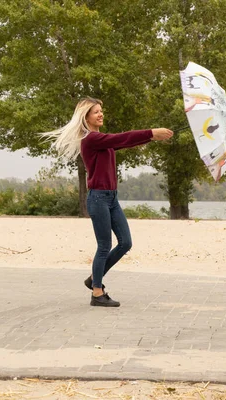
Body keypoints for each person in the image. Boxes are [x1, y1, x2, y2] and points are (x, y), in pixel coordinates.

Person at [43, 97, 173, 307]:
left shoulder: (102, 141)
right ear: (86, 117)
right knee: (104, 246)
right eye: (96, 112)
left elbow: (125, 141)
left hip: (111, 198)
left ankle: (95, 277)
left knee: (126, 243)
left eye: (101, 110)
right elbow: (122, 137)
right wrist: (151, 132)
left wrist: (153, 138)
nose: (101, 114)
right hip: (98, 198)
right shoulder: (91, 139)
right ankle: (97, 293)